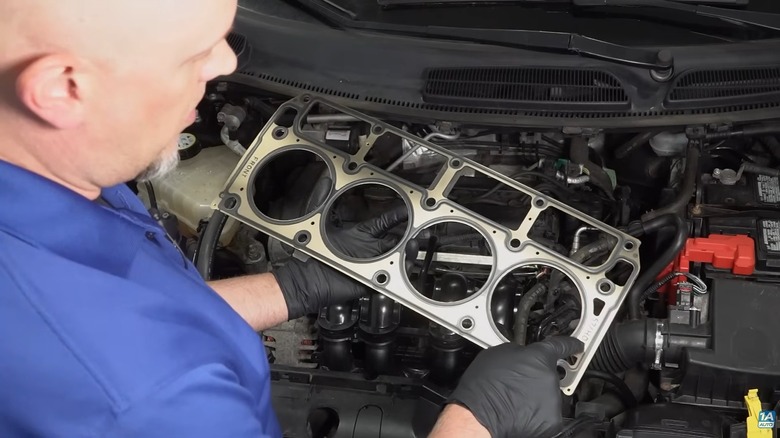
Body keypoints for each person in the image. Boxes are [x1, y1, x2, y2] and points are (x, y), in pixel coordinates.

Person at [0, 1, 583, 437]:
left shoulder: (54, 172)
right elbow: (127, 351)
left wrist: (295, 285)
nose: (227, 61)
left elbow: (129, 312)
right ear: (60, 89)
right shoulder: (156, 404)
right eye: (194, 53)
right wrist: (474, 423)